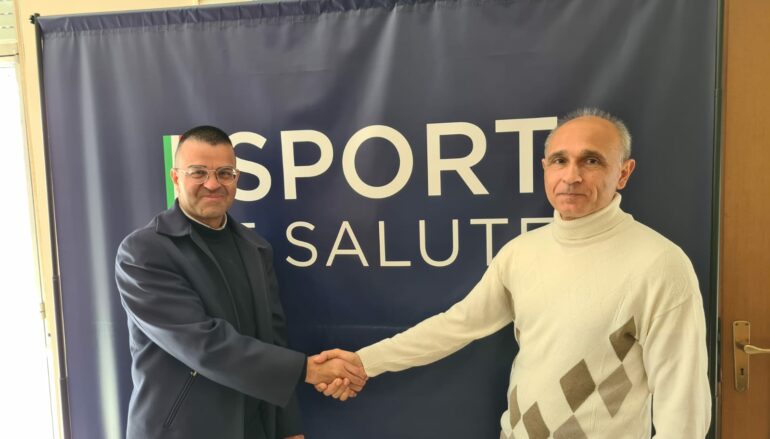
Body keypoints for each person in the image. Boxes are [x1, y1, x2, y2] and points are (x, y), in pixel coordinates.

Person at [316, 108, 712, 437]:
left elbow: (684, 403)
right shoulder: (522, 252)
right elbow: (457, 325)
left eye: (591, 161)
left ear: (623, 173)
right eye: (560, 160)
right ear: (545, 168)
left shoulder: (659, 264)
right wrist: (363, 362)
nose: (571, 176)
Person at [115, 125, 365, 439]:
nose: (212, 184)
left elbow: (273, 341)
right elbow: (203, 345)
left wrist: (288, 429)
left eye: (224, 173)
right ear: (175, 177)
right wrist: (310, 370)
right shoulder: (143, 251)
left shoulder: (255, 248)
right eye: (198, 172)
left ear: (236, 178)